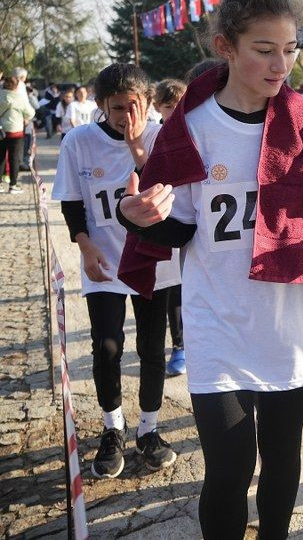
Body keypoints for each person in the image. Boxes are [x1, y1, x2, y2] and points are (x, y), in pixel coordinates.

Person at [117, 0, 303, 539]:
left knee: (282, 458)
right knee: (228, 469)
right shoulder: (192, 128)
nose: (281, 64)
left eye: (291, 49)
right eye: (265, 49)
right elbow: (180, 227)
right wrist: (137, 216)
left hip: (285, 325)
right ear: (226, 46)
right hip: (216, 322)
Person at [52, 63, 181, 478]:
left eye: (135, 105)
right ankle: (112, 429)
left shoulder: (161, 136)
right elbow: (72, 200)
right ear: (101, 106)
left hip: (150, 259)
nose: (128, 116)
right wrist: (85, 248)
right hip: (104, 259)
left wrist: (139, 152)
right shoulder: (79, 141)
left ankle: (149, 428)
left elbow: (168, 194)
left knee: (150, 346)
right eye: (117, 107)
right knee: (107, 347)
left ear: (147, 102)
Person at [153, 78, 188, 377]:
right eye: (168, 106)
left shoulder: (197, 129)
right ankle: (177, 345)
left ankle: (184, 344)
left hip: (195, 223)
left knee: (185, 288)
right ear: (157, 108)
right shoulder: (155, 137)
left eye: (179, 104)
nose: (174, 111)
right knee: (170, 290)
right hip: (167, 221)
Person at [0, 75, 36, 193]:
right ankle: (13, 185)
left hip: (1, 131)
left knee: (0, 158)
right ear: (16, 86)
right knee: (14, 159)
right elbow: (30, 113)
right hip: (15, 132)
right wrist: (24, 117)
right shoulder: (19, 98)